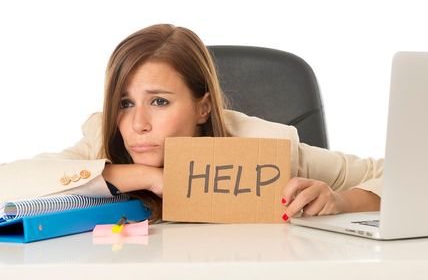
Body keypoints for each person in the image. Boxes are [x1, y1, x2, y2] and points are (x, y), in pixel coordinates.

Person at [0, 24, 383, 222]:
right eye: (125, 103)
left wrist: (341, 200)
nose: (138, 124)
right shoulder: (102, 141)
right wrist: (142, 177)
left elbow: (396, 172)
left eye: (160, 102)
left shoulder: (265, 146)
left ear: (202, 108)